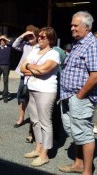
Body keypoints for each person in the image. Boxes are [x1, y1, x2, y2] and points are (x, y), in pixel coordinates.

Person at [59, 11, 97, 174]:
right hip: (68, 96)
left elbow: (96, 76)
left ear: (86, 27)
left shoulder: (93, 45)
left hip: (80, 98)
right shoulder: (78, 43)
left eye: (75, 25)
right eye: (71, 25)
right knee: (75, 131)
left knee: (84, 134)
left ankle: (87, 171)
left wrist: (79, 96)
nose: (71, 28)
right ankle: (78, 164)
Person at [20, 27, 60, 167]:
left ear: (50, 39)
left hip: (46, 91)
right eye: (39, 36)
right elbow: (21, 68)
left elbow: (44, 70)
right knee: (35, 121)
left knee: (45, 122)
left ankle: (44, 154)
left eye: (43, 37)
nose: (39, 38)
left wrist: (32, 67)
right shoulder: (34, 51)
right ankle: (37, 148)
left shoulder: (54, 54)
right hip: (32, 89)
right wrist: (35, 68)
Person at [12, 25, 39, 128]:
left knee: (34, 98)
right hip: (24, 75)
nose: (29, 37)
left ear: (36, 35)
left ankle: (34, 119)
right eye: (28, 36)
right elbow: (14, 45)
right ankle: (21, 117)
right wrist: (24, 35)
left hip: (35, 75)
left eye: (31, 35)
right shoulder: (25, 45)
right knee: (22, 97)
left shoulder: (40, 46)